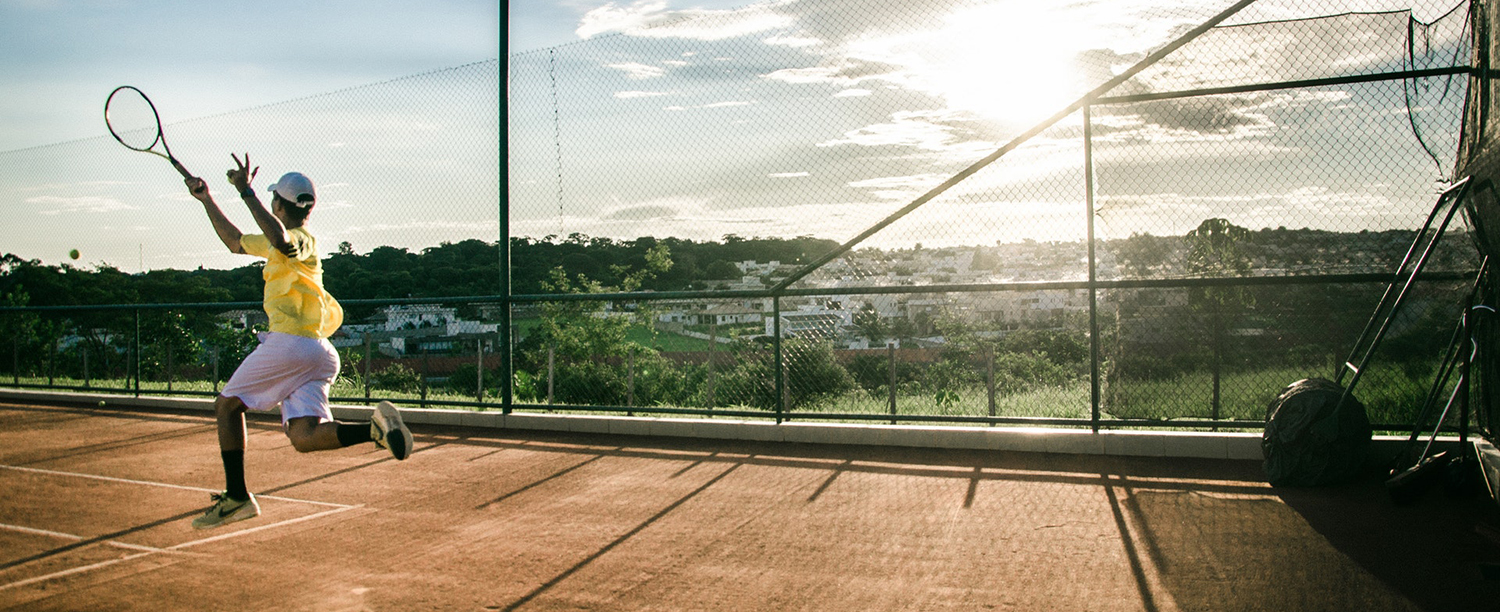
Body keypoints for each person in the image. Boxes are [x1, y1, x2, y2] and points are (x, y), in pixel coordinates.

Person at [185, 153, 413, 530]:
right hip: (318, 352)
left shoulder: (302, 240)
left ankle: (237, 497)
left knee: (226, 407)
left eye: (272, 198)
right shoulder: (280, 240)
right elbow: (234, 242)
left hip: (291, 343)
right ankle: (375, 430)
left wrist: (245, 192)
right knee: (304, 437)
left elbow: (280, 238)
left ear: (278, 204)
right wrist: (206, 198)